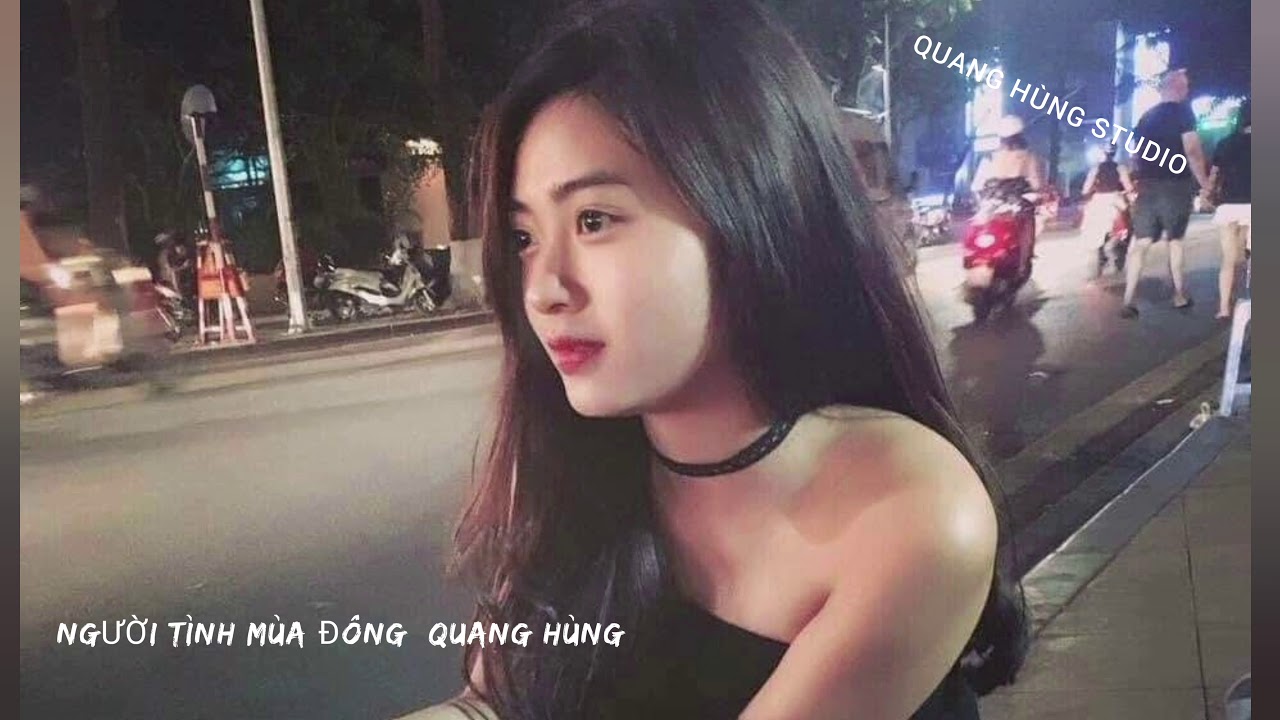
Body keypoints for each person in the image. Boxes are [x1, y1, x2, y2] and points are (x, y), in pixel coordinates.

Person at [408, 1, 1027, 718]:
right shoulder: (582, 470)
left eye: (594, 221)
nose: (545, 289)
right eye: (524, 238)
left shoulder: (910, 511)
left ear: (755, 209)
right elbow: (489, 703)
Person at [1119, 65, 1212, 318]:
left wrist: (1137, 180)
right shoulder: (1183, 113)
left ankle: (1128, 299)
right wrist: (1205, 184)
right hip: (1175, 186)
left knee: (1141, 243)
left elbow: (1135, 155)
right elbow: (1192, 150)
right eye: (1186, 86)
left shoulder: (1145, 117)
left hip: (1147, 186)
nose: (1188, 91)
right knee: (1175, 242)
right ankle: (1179, 295)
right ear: (1177, 88)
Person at [970, 115, 1047, 274]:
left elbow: (976, 186)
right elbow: (1037, 185)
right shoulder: (1027, 157)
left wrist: (982, 202)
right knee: (1028, 223)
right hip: (1017, 206)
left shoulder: (989, 158)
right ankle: (1024, 261)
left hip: (991, 205)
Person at [1209, 100, 1251, 319]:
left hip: (1228, 206)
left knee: (1228, 259)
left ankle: (1224, 307)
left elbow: (1214, 175)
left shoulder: (1225, 143)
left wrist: (1208, 193)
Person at [1081, 143, 1136, 272]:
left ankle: (1101, 253)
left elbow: (1085, 189)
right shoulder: (1120, 168)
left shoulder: (1095, 168)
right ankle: (1120, 250)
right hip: (1115, 199)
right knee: (1128, 225)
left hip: (1098, 200)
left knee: (1092, 226)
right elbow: (1128, 187)